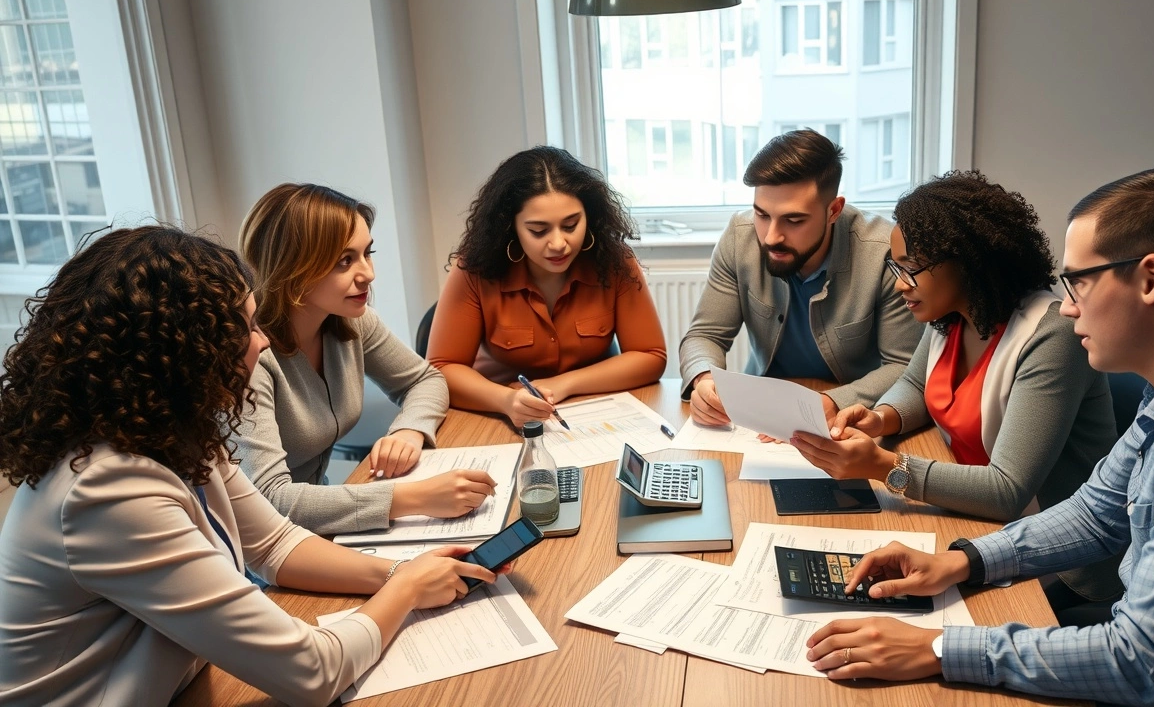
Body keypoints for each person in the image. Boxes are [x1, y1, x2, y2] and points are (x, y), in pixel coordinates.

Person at [804, 169, 1154, 706]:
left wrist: (937, 648)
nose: (1069, 306)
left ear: (1150, 280)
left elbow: (1139, 662)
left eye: (1079, 282)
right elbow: (1095, 513)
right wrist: (963, 561)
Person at [0, 226, 505, 706]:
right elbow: (313, 673)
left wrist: (406, 571)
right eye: (246, 328)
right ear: (185, 352)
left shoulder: (171, 430)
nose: (262, 342)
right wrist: (407, 589)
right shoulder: (106, 490)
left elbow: (275, 544)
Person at [790, 171, 1122, 610]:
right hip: (979, 523)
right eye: (895, 267)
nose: (899, 283)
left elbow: (1008, 490)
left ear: (965, 262)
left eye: (910, 268)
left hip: (1061, 564)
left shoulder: (1052, 335)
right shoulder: (952, 315)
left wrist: (885, 466)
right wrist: (880, 419)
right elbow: (916, 383)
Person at [236, 184, 496, 536]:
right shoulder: (249, 355)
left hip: (317, 526)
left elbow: (425, 380)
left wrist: (410, 429)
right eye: (345, 261)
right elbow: (271, 500)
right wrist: (414, 498)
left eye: (366, 253)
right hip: (253, 548)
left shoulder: (351, 321)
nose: (368, 274)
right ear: (292, 269)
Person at [679, 129, 921, 426]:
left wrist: (835, 401)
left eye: (793, 220)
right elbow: (705, 335)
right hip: (761, 413)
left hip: (852, 418)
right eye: (761, 215)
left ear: (834, 211)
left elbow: (903, 365)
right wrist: (704, 378)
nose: (771, 237)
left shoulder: (884, 253)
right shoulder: (738, 239)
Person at [428, 146, 666, 427]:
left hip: (592, 413)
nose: (558, 244)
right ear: (511, 227)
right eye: (538, 231)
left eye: (571, 225)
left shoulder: (614, 261)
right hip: (496, 416)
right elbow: (441, 369)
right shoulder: (474, 269)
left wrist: (563, 383)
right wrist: (506, 400)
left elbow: (650, 356)